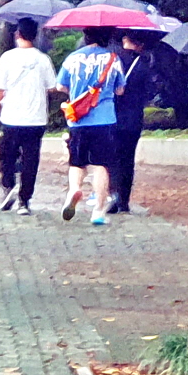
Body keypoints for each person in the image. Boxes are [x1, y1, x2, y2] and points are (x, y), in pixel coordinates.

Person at [0, 17, 57, 213]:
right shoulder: (43, 59)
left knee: (6, 155)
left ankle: (8, 185)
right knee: (30, 160)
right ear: (35, 36)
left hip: (11, 117)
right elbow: (52, 87)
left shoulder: (7, 58)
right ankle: (24, 201)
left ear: (17, 34)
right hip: (36, 118)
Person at [56, 25, 123, 226]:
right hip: (105, 119)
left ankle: (74, 189)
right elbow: (120, 90)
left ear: (86, 36)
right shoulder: (113, 59)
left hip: (77, 119)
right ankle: (99, 211)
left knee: (77, 162)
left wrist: (77, 93)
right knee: (101, 165)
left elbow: (60, 85)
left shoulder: (73, 58)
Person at [106, 28, 159, 214]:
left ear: (125, 40)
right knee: (128, 160)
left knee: (112, 158)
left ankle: (112, 195)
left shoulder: (113, 61)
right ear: (140, 44)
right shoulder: (144, 64)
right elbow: (150, 92)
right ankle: (124, 201)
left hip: (113, 116)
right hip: (134, 118)